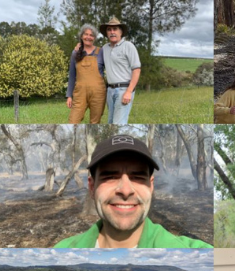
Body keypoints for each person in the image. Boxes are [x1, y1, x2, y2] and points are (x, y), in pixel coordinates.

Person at [55, 135, 213, 248]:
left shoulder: (197, 251)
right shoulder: (62, 249)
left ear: (151, 187)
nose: (125, 190)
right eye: (110, 176)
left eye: (137, 177)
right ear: (91, 187)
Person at [99, 17, 141, 124]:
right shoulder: (104, 48)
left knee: (118, 123)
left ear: (121, 32)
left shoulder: (128, 46)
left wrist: (129, 92)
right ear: (106, 33)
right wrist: (79, 48)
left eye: (115, 29)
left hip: (124, 89)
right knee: (111, 122)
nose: (112, 32)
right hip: (110, 90)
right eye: (109, 29)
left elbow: (136, 70)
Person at [66, 24, 105, 124]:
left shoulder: (101, 52)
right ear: (81, 36)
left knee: (95, 122)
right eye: (86, 34)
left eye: (91, 35)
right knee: (73, 120)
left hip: (98, 93)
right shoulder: (75, 53)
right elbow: (72, 75)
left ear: (95, 38)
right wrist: (69, 95)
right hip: (80, 92)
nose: (88, 37)